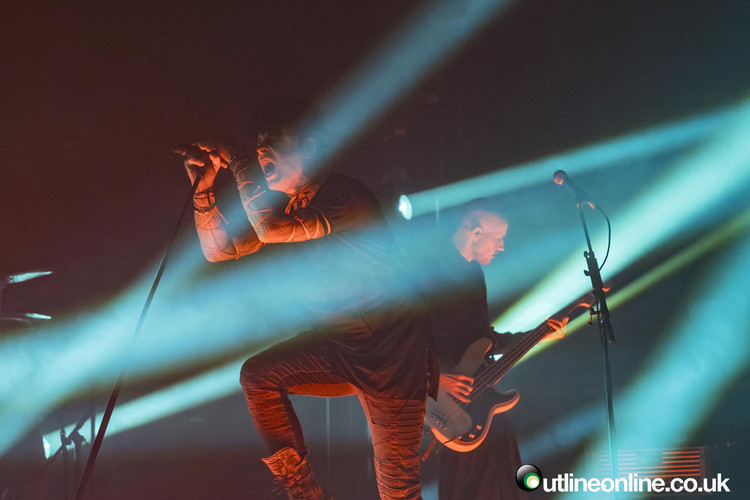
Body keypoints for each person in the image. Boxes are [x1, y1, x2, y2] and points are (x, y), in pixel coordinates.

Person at [181, 100, 434, 500]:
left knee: (398, 492)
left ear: (310, 147)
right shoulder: (282, 205)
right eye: (258, 151)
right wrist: (203, 192)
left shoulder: (346, 196)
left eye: (271, 147)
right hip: (336, 348)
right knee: (258, 377)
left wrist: (241, 160)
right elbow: (219, 250)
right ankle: (304, 493)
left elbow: (270, 229)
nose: (262, 157)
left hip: (391, 362)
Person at [420, 203, 564, 500]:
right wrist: (436, 379)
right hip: (442, 402)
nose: (502, 246)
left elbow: (484, 339)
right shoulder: (429, 273)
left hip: (476, 399)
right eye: (498, 238)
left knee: (502, 466)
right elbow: (403, 339)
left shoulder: (473, 274)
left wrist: (537, 335)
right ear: (476, 233)